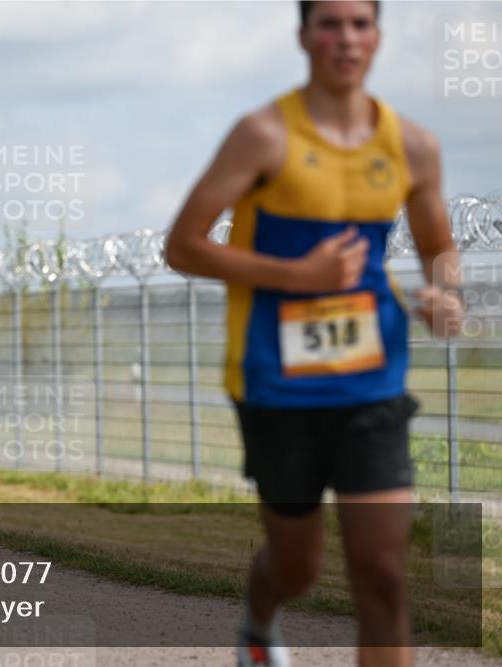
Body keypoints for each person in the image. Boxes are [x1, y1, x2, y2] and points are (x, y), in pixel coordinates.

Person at [163, 2, 463, 666]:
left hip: (371, 382)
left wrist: (444, 292)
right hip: (278, 387)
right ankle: (259, 620)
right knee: (298, 567)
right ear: (304, 36)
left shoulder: (412, 144)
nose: (346, 37)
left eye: (360, 23)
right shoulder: (263, 135)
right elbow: (182, 246)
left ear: (378, 36)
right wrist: (295, 274)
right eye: (330, 22)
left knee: (382, 572)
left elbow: (438, 246)